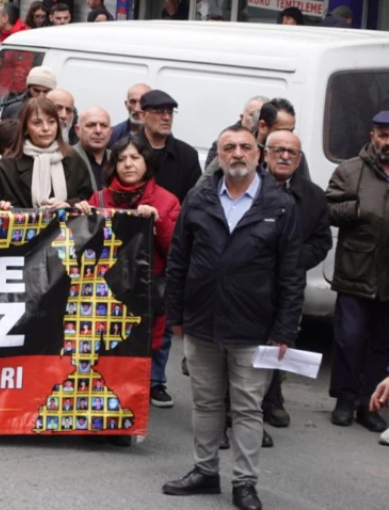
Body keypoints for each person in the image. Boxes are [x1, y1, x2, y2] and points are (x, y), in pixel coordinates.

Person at [162, 124, 303, 510]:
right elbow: (178, 259)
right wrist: (176, 314)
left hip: (254, 327)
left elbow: (291, 274)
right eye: (229, 147)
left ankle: (245, 483)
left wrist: (284, 330)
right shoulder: (199, 197)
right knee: (206, 403)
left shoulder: (280, 205)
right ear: (219, 155)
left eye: (244, 146)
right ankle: (205, 471)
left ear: (258, 155)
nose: (237, 153)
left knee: (246, 407)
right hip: (201, 322)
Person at [89, 134, 181, 408]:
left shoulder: (166, 201)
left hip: (147, 289)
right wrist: (82, 212)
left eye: (135, 158)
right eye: (121, 159)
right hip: (107, 289)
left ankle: (150, 387)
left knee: (149, 343)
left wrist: (158, 221)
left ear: (147, 162)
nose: (128, 164)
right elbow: (86, 244)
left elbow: (175, 249)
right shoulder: (100, 198)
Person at [256, 130, 330, 429]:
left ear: (299, 160)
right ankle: (237, 407)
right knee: (244, 344)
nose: (285, 156)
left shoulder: (314, 196)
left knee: (281, 339)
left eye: (292, 152)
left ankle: (272, 399)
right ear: (265, 154)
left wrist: (293, 260)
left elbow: (322, 241)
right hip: (250, 282)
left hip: (288, 284)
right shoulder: (248, 186)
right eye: (278, 150)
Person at [325, 111, 389, 433]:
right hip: (355, 271)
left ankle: (369, 405)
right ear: (372, 135)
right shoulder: (350, 170)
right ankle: (344, 400)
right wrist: (356, 209)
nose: (388, 141)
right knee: (349, 339)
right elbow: (327, 209)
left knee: (382, 345)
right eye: (383, 134)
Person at [0, 97, 94, 210]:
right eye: (37, 123)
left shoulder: (72, 158)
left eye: (51, 122)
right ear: (25, 128)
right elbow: (6, 204)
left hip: (68, 221)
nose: (46, 128)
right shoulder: (8, 164)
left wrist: (69, 205)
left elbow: (86, 197)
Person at [138, 90, 202, 203]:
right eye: (159, 111)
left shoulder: (187, 155)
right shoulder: (127, 150)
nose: (167, 117)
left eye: (170, 112)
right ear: (143, 116)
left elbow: (194, 201)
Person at [74, 107, 113, 191]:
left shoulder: (118, 159)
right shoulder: (66, 158)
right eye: (91, 125)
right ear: (77, 130)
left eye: (103, 126)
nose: (98, 131)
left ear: (110, 131)